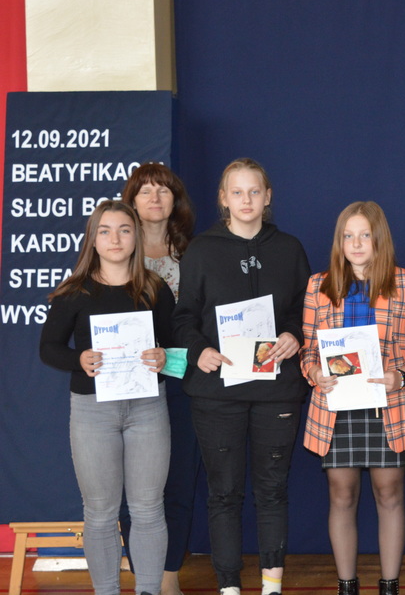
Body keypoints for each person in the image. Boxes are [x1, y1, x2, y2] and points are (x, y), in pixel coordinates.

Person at [172, 158, 311, 595]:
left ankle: (272, 586)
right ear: (223, 198)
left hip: (277, 391)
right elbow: (183, 316)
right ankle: (229, 587)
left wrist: (294, 335)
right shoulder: (201, 250)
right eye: (237, 192)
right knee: (224, 492)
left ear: (268, 197)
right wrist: (199, 350)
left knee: (272, 490)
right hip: (218, 392)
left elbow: (306, 311)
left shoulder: (289, 248)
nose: (246, 200)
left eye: (254, 191)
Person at [39, 200, 174, 595]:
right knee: (100, 512)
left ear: (136, 238)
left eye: (124, 230)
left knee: (148, 508)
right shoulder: (74, 292)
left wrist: (165, 356)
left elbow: (177, 345)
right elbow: (48, 348)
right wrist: (78, 359)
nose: (115, 239)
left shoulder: (155, 288)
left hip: (148, 408)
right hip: (92, 412)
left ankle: (148, 590)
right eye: (105, 231)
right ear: (93, 240)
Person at [301, 201, 405, 595]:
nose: (356, 244)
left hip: (388, 406)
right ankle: (347, 585)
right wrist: (315, 374)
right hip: (336, 407)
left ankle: (389, 585)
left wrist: (401, 376)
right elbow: (308, 351)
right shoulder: (318, 285)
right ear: (339, 241)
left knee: (389, 493)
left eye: (365, 235)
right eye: (348, 236)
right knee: (341, 495)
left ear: (379, 239)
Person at [120, 162, 199, 595]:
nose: (154, 197)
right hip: (128, 386)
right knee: (133, 488)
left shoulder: (196, 254)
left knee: (179, 480)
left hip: (184, 383)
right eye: (145, 190)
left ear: (176, 200)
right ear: (131, 201)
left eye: (163, 190)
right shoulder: (115, 252)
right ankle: (143, 578)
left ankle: (169, 577)